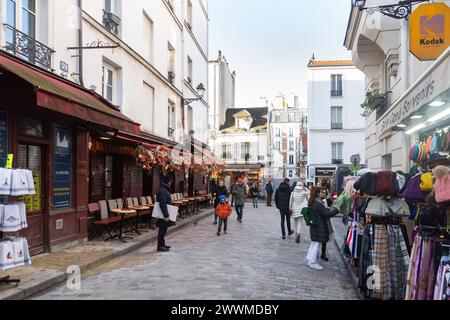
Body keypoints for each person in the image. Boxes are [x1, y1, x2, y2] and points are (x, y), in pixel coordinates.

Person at [306, 187, 340, 270]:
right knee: (316, 244)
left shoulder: (313, 201)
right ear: (317, 193)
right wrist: (336, 210)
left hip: (315, 226)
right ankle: (312, 262)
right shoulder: (317, 203)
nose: (322, 193)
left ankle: (310, 260)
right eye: (320, 192)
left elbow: (322, 212)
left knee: (314, 243)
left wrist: (327, 209)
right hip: (319, 227)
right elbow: (326, 214)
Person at [156, 175, 175, 252]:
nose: (171, 183)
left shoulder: (164, 190)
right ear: (168, 181)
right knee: (162, 230)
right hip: (162, 215)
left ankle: (162, 244)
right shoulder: (163, 191)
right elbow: (163, 204)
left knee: (164, 230)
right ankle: (160, 246)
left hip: (164, 214)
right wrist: (166, 215)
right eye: (170, 181)